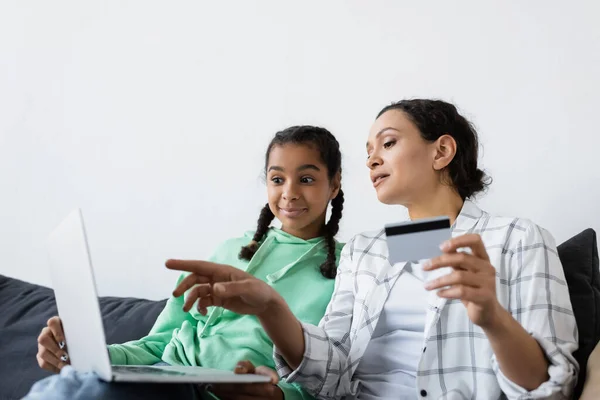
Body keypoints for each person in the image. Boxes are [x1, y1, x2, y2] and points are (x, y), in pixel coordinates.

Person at [166, 99, 580, 399]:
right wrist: (270, 306)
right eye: (368, 152)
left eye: (387, 143)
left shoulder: (518, 238)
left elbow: (549, 387)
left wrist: (492, 319)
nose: (372, 160)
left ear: (442, 151)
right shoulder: (367, 251)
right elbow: (330, 373)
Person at [26, 125, 345, 400]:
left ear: (334, 184)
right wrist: (85, 358)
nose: (289, 193)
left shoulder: (352, 267)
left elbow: (336, 376)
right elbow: (157, 344)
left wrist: (281, 395)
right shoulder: (230, 251)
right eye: (277, 179)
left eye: (306, 179)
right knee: (70, 382)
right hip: (169, 375)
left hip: (223, 391)